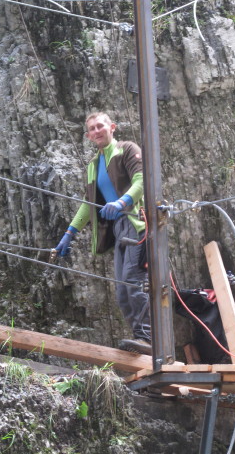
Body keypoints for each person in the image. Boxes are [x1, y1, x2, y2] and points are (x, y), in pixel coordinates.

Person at [55, 112, 152, 355]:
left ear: (112, 127)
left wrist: (122, 202)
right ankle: (140, 341)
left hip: (135, 221)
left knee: (132, 281)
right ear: (88, 136)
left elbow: (143, 180)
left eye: (101, 126)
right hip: (117, 228)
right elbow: (89, 204)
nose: (97, 131)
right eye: (92, 129)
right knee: (121, 290)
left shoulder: (126, 149)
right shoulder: (93, 166)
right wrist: (70, 232)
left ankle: (148, 339)